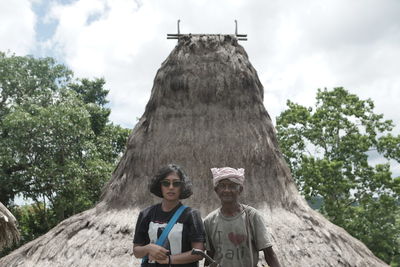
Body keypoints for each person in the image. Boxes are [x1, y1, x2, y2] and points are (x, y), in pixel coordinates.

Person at [204, 167, 282, 267]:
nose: (227, 190)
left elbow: (269, 254)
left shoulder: (252, 216)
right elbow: (210, 256)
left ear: (240, 189)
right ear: (216, 190)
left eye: (232, 186)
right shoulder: (209, 221)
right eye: (222, 186)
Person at [133, 164, 206, 267]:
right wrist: (148, 248)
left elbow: (199, 253)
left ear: (182, 187)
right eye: (166, 183)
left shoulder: (191, 215)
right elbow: (136, 251)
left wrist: (169, 260)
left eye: (176, 183)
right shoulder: (146, 214)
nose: (171, 187)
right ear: (160, 186)